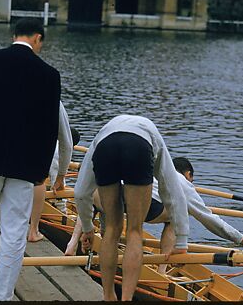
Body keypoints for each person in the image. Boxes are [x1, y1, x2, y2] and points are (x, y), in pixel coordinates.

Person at [0, 18, 61, 301]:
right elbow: (48, 129)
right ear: (38, 39)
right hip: (24, 166)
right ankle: (2, 296)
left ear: (14, 34)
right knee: (15, 232)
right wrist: (40, 170)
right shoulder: (49, 75)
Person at [66, 157, 243, 274]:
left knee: (95, 195)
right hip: (141, 205)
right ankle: (162, 271)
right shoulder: (182, 181)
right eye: (192, 179)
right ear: (187, 174)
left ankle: (73, 244)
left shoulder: (152, 163)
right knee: (176, 215)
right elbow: (208, 218)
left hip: (105, 195)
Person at [74, 115, 189, 302]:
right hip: (139, 147)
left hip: (106, 148)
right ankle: (126, 299)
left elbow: (80, 193)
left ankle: (108, 296)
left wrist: (88, 228)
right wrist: (182, 240)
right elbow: (172, 191)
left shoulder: (102, 135)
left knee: (112, 229)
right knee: (135, 231)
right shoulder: (152, 133)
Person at [28, 101, 78, 243]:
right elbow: (59, 185)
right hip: (35, 174)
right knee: (41, 181)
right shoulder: (57, 152)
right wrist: (62, 211)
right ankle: (33, 230)